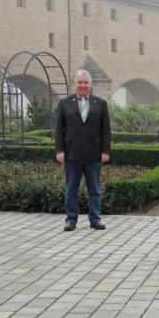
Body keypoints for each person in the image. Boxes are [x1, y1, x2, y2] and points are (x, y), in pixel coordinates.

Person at [54, 69, 112, 231]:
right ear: (75, 84)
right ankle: (71, 219)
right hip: (72, 154)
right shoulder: (64, 104)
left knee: (94, 189)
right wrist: (59, 150)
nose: (83, 85)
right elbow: (59, 129)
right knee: (71, 189)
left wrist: (105, 151)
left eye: (86, 82)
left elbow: (106, 130)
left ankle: (95, 218)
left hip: (94, 154)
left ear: (90, 84)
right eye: (80, 82)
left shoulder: (101, 104)